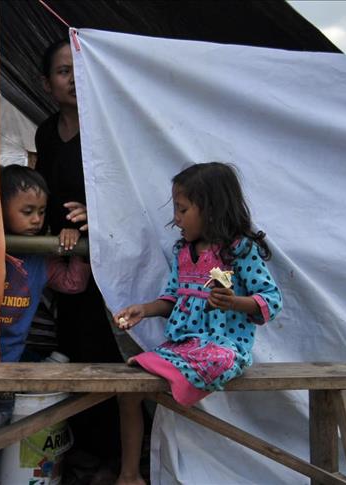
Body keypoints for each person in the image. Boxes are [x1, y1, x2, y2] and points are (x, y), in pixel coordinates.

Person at [112, 162, 283, 485]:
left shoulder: (239, 251)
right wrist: (143, 310)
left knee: (220, 359)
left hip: (223, 347)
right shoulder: (183, 251)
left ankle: (172, 376)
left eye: (183, 209)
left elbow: (271, 300)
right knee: (127, 391)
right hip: (180, 347)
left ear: (212, 210)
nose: (176, 218)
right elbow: (174, 299)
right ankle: (129, 475)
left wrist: (235, 302)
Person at [34, 38, 134, 479]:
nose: (73, 80)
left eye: (78, 70)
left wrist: (98, 216)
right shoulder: (45, 133)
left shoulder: (107, 128)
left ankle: (118, 457)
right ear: (46, 83)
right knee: (72, 348)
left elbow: (131, 190)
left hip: (107, 263)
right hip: (64, 264)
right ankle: (86, 451)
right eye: (63, 72)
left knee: (107, 353)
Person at [0, 164, 90, 484]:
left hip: (8, 367)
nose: (36, 220)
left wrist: (78, 245)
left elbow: (73, 283)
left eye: (41, 212)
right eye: (27, 211)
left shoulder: (40, 257)